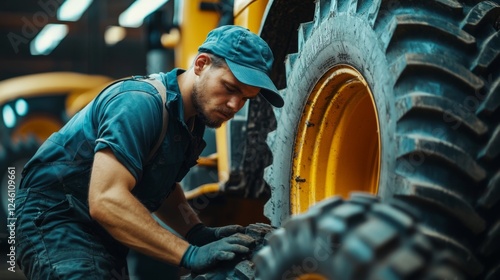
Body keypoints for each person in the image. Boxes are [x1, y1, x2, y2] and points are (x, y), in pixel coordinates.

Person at [15, 25, 284, 279]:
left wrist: (196, 232)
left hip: (98, 229)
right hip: (54, 219)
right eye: (230, 88)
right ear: (201, 64)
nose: (235, 105)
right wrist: (189, 254)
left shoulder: (191, 119)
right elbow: (106, 199)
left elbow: (161, 184)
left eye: (246, 98)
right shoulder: (139, 104)